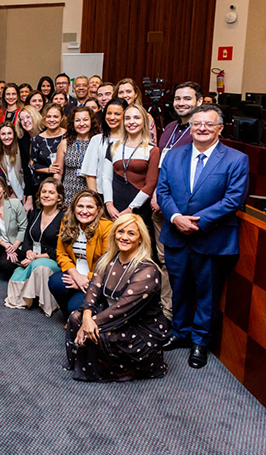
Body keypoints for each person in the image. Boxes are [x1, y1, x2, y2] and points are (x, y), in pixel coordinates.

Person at [157, 104, 248, 369]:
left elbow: (233, 199)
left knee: (206, 293)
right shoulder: (174, 155)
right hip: (176, 234)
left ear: (220, 128)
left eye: (209, 124)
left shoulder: (236, 159)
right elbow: (163, 192)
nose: (202, 129)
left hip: (211, 238)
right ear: (190, 126)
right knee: (180, 288)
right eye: (197, 124)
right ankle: (180, 332)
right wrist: (176, 218)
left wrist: (198, 222)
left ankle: (200, 342)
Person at [66, 213, 168, 382]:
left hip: (140, 328)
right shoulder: (107, 261)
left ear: (140, 239)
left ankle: (115, 369)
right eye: (120, 231)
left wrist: (91, 323)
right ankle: (85, 363)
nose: (124, 237)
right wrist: (86, 318)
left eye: (131, 233)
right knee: (75, 317)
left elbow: (121, 308)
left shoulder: (147, 270)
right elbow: (92, 293)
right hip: (113, 316)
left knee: (101, 334)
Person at [152, 82, 202, 319]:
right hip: (160, 205)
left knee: (181, 267)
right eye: (178, 99)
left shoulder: (200, 131)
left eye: (187, 99)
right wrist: (156, 195)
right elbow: (162, 166)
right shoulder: (171, 127)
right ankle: (166, 312)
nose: (181, 103)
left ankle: (175, 317)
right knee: (164, 262)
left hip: (183, 211)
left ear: (199, 102)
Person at [48, 189, 112, 319]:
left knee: (75, 307)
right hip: (75, 273)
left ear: (98, 209)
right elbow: (61, 253)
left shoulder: (106, 227)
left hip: (96, 278)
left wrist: (87, 278)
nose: (84, 211)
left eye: (89, 207)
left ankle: (84, 314)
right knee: (55, 281)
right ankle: (70, 319)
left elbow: (107, 263)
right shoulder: (67, 221)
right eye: (80, 206)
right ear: (74, 207)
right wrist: (76, 276)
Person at [6, 178, 65, 316]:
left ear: (59, 197)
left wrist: (36, 258)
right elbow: (27, 236)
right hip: (34, 256)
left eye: (51, 192)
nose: (46, 195)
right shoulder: (35, 212)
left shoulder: (65, 217)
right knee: (20, 270)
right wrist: (29, 251)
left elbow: (61, 250)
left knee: (40, 267)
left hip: (55, 260)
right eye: (43, 191)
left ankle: (47, 303)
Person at [102, 103, 160, 232]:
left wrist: (131, 208)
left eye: (136, 118)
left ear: (144, 122)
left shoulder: (153, 150)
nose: (131, 122)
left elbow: (151, 184)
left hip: (139, 208)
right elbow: (106, 178)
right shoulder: (113, 146)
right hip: (114, 208)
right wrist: (109, 204)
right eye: (127, 118)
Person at [56, 107, 100, 204]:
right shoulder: (65, 143)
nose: (81, 124)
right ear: (72, 123)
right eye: (77, 120)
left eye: (85, 120)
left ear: (91, 122)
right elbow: (58, 172)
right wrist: (55, 193)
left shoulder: (98, 142)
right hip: (69, 193)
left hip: (91, 193)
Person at [80, 99, 125, 193]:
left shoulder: (131, 141)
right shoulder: (97, 140)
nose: (112, 117)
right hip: (101, 194)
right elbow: (90, 174)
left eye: (117, 114)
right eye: (109, 113)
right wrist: (96, 199)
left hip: (125, 195)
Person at [30, 103, 66, 188]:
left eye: (56, 117)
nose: (52, 119)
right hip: (44, 184)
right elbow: (33, 164)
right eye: (48, 116)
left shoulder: (69, 136)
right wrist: (48, 170)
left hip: (67, 182)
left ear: (61, 119)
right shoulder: (37, 139)